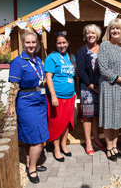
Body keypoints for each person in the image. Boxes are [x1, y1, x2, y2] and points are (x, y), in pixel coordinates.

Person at [8, 27, 48, 184]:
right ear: (23, 43)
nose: (31, 45)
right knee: (38, 138)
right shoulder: (17, 62)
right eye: (28, 42)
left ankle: (31, 163)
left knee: (31, 136)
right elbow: (14, 86)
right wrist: (11, 106)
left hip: (40, 101)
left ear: (36, 43)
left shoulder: (38, 60)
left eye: (33, 42)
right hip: (26, 102)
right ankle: (32, 169)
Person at [98, 18, 121, 161]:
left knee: (118, 117)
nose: (115, 31)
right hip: (110, 85)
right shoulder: (105, 45)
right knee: (109, 117)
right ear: (109, 31)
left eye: (118, 28)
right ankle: (109, 147)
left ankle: (115, 145)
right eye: (112, 28)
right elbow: (103, 69)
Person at [45, 31, 76, 162]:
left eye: (64, 42)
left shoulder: (71, 57)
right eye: (59, 43)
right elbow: (48, 77)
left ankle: (64, 145)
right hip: (57, 97)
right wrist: (53, 95)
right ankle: (56, 149)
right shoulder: (51, 58)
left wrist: (75, 92)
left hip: (70, 96)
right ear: (55, 44)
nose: (62, 45)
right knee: (56, 123)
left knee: (66, 123)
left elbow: (73, 76)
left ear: (68, 43)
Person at [77, 24, 106, 155]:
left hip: (101, 87)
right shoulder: (82, 51)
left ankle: (97, 139)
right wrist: (92, 87)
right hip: (87, 89)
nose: (90, 35)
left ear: (97, 35)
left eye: (93, 33)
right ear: (85, 35)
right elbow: (81, 72)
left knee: (97, 116)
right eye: (88, 33)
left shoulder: (103, 49)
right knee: (87, 116)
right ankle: (88, 142)